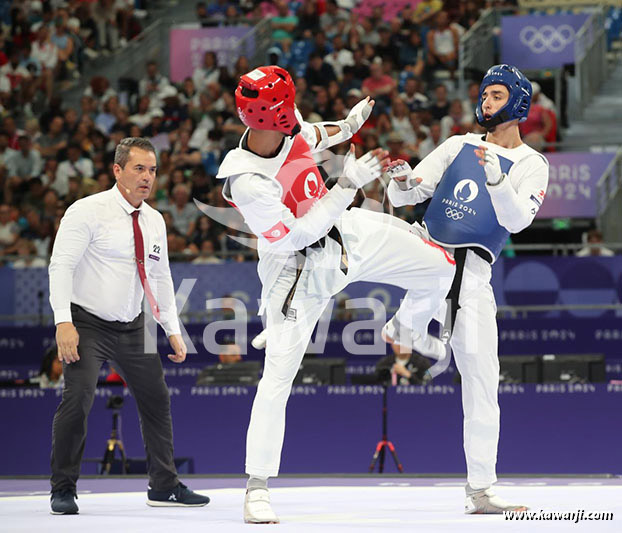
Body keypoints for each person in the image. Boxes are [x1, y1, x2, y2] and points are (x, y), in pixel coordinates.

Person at [215, 65, 455, 524]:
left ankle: (404, 326)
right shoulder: (246, 180)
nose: (294, 112)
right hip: (298, 269)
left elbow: (319, 134)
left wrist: (350, 124)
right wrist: (347, 185)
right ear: (269, 114)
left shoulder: (287, 127)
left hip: (345, 235)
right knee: (277, 379)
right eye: (287, 105)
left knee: (439, 267)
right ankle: (257, 486)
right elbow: (295, 235)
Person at [383, 64, 549, 514]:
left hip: (472, 276)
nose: (486, 102)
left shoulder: (533, 164)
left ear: (517, 103)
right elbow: (406, 196)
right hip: (424, 252)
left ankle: (480, 489)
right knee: (368, 230)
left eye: (496, 95)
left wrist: (496, 178)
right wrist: (401, 179)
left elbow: (517, 221)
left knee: (481, 381)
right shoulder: (458, 144)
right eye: (484, 94)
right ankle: (403, 323)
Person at [48, 137, 209, 514]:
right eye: (139, 168)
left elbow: (160, 277)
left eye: (152, 170)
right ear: (117, 170)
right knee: (78, 399)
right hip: (86, 323)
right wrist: (63, 323)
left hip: (132, 326)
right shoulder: (87, 211)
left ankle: (164, 486)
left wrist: (171, 328)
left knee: (157, 398)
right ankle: (63, 488)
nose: (147, 177)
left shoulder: (154, 220)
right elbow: (61, 267)